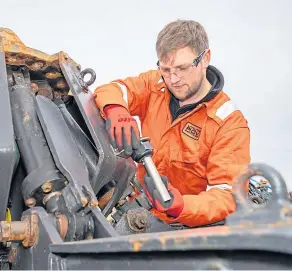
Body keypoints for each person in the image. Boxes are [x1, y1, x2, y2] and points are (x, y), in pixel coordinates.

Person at [92, 19, 251, 227]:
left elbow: (226, 195)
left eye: (182, 68)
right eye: (165, 69)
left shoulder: (229, 123)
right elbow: (114, 88)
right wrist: (115, 108)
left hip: (187, 229)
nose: (173, 79)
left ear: (205, 58)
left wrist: (181, 206)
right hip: (140, 211)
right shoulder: (155, 85)